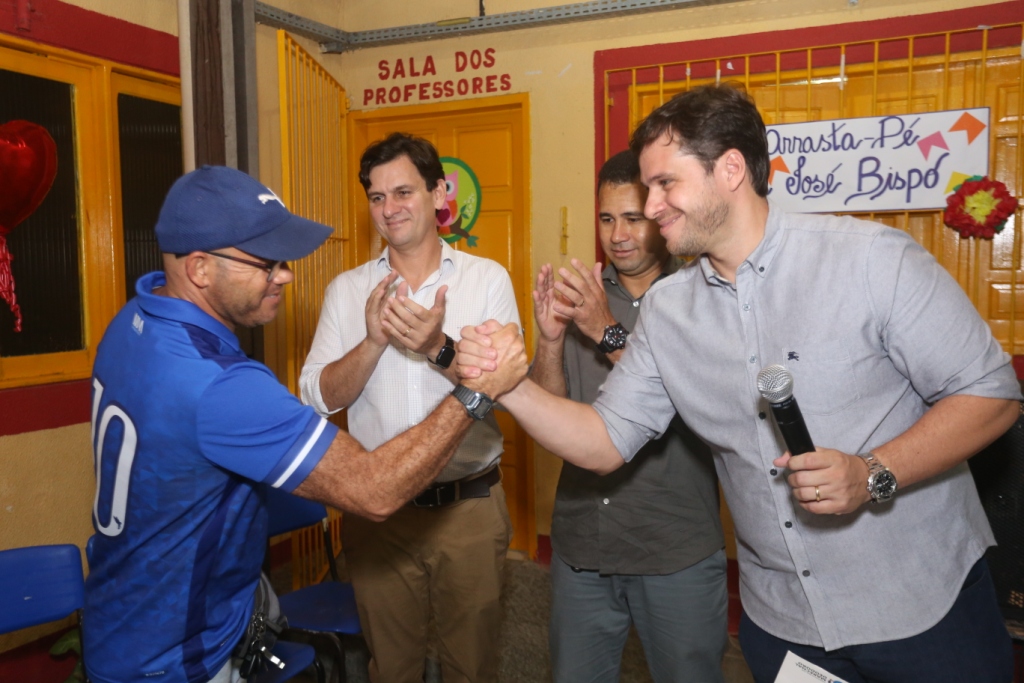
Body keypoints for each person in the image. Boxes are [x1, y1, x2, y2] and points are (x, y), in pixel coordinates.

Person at [458, 84, 1021, 683]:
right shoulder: (669, 311)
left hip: (922, 606)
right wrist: (508, 385)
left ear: (730, 169)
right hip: (784, 623)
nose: (651, 206)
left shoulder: (871, 259)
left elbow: (992, 395)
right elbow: (603, 440)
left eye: (665, 183)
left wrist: (872, 473)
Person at [83, 165, 526, 683]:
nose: (285, 276)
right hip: (177, 656)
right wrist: (474, 393)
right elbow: (374, 490)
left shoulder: (132, 321)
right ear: (200, 268)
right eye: (266, 264)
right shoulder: (220, 385)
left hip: (126, 620)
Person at [299, 133, 521, 683]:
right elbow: (318, 397)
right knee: (392, 668)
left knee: (471, 667)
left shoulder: (486, 279)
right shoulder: (347, 290)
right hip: (379, 516)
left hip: (467, 507)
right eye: (377, 197)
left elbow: (502, 386)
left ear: (438, 193)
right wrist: (373, 343)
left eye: (403, 192)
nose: (389, 209)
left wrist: (435, 346)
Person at [532, 150, 727, 682]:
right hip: (582, 546)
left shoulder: (704, 294)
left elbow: (702, 407)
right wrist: (550, 342)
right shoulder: (583, 299)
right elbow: (550, 417)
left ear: (661, 215)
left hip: (675, 550)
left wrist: (606, 332)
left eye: (633, 218)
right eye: (606, 218)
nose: (617, 235)